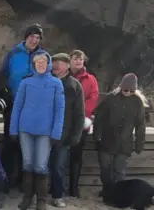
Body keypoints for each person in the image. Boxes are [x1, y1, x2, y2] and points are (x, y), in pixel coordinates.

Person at [9, 52, 65, 210]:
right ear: (33, 65)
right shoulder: (26, 83)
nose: (40, 64)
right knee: (27, 164)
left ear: (48, 63)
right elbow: (17, 106)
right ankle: (27, 197)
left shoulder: (56, 83)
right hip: (25, 129)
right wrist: (13, 129)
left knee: (41, 165)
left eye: (43, 62)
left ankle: (41, 199)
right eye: (37, 62)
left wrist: (56, 132)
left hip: (45, 131)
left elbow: (59, 110)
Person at [1, 24, 46, 188]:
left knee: (27, 142)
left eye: (38, 37)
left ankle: (23, 181)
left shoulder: (43, 56)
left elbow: (48, 78)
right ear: (25, 37)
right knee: (9, 140)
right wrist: (6, 94)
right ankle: (7, 178)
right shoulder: (13, 54)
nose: (34, 40)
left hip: (33, 107)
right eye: (32, 36)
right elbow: (3, 76)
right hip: (13, 103)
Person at [94, 73, 147, 196]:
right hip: (107, 139)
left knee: (119, 170)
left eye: (131, 90)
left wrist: (139, 144)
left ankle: (118, 193)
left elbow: (140, 125)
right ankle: (107, 190)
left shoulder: (137, 102)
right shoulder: (110, 98)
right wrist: (97, 135)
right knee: (105, 168)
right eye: (125, 90)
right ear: (121, 87)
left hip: (124, 141)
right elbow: (99, 118)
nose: (128, 92)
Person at [50, 53, 85, 207]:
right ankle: (40, 194)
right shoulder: (47, 81)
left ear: (67, 66)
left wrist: (76, 135)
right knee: (41, 165)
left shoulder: (75, 86)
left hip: (64, 134)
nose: (56, 65)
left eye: (60, 63)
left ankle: (58, 196)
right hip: (45, 131)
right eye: (54, 62)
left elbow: (79, 113)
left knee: (59, 166)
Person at [68, 49, 99, 197]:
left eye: (81, 59)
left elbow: (93, 98)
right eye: (75, 59)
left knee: (76, 154)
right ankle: (56, 185)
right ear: (70, 61)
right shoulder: (63, 76)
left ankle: (73, 187)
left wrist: (79, 112)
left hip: (81, 121)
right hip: (65, 120)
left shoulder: (90, 79)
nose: (78, 62)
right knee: (59, 153)